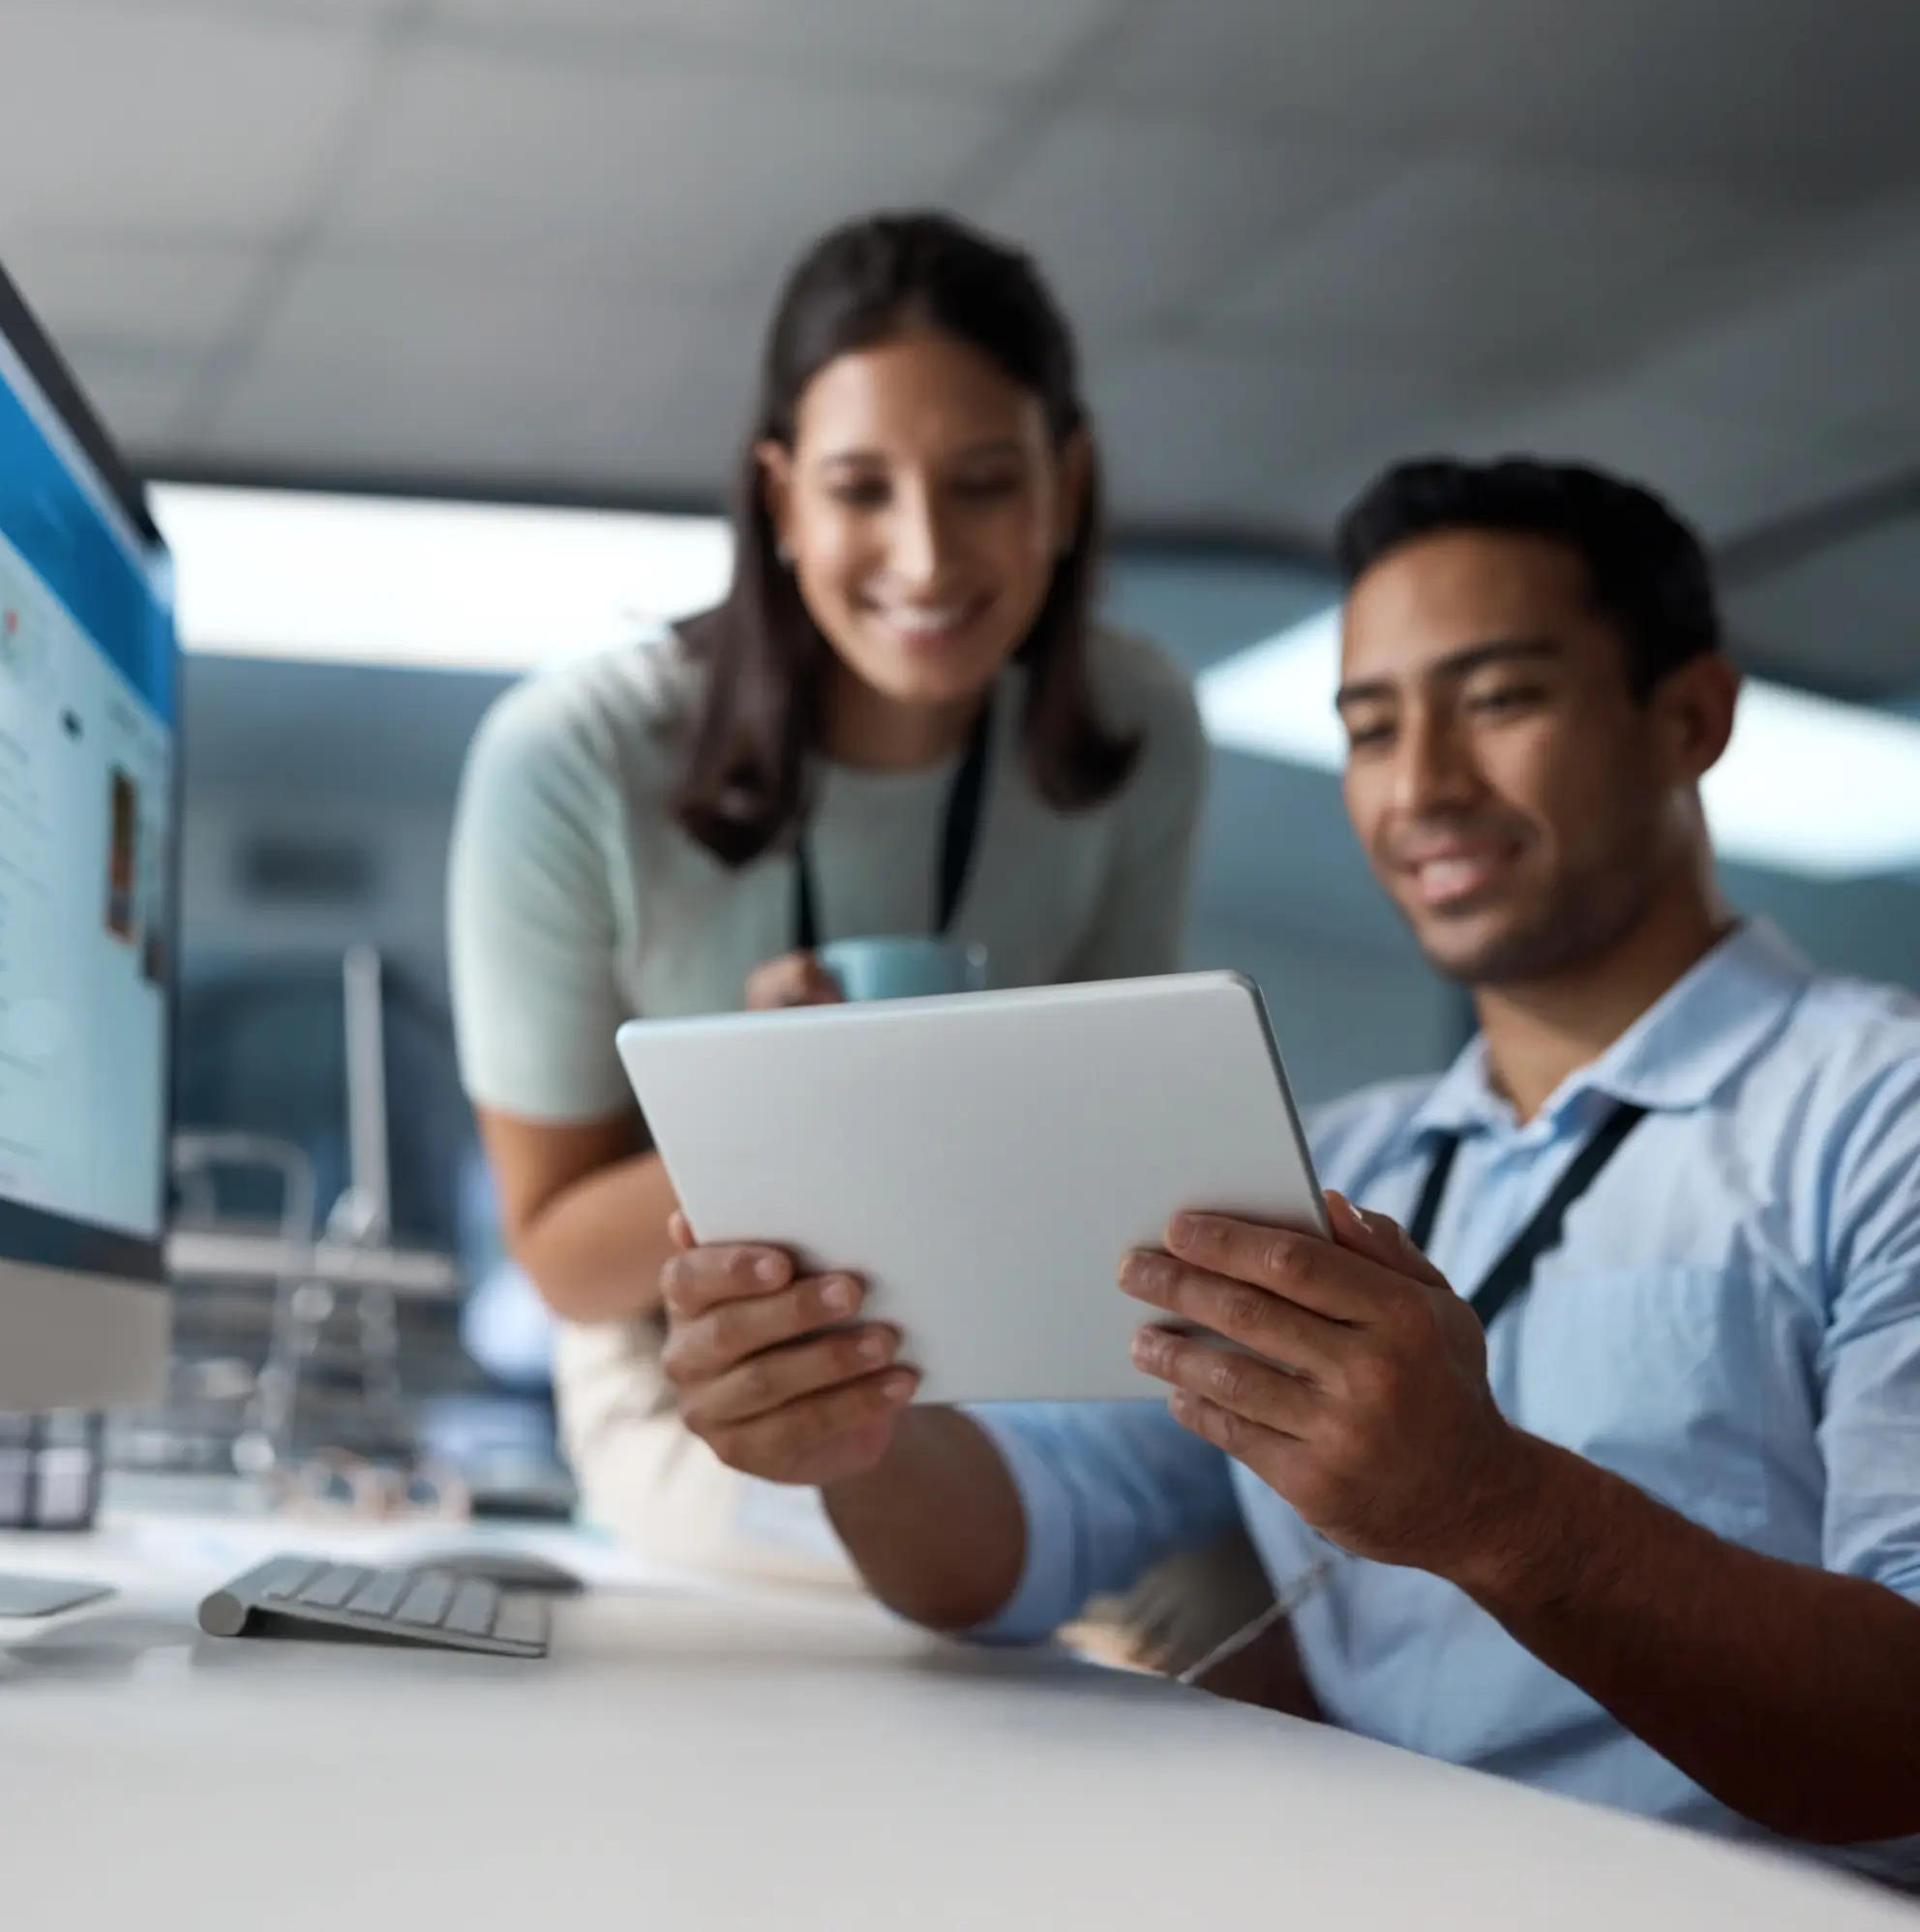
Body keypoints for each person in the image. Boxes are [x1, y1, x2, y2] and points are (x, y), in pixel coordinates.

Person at [654, 456, 1920, 1884]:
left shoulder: (1882, 1117)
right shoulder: (1324, 1162)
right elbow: (1008, 1551)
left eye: (1500, 700)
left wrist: (1492, 1505)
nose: (1422, 785)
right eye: (1371, 728)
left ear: (1690, 717)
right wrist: (852, 1425)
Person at [446, 213, 1217, 1588]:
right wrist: (776, 1120)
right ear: (781, 500)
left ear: (1068, 483)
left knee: (1173, 1563)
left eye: (986, 484)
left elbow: (1110, 1167)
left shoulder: (1138, 726)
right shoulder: (574, 758)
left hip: (1004, 1331)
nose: (925, 559)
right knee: (869, 1594)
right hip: (693, 1359)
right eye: (862, 490)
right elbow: (563, 1263)